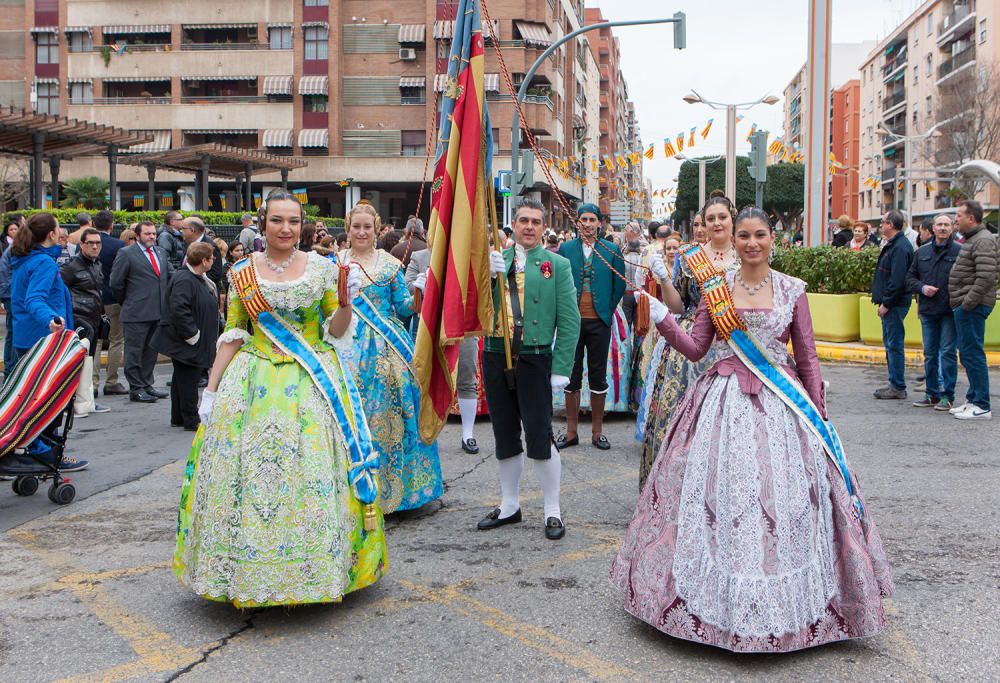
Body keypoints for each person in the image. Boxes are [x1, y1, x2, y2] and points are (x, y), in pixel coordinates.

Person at [615, 206, 894, 653]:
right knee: (718, 499)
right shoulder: (717, 290)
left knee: (786, 499)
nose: (750, 243)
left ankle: (793, 610)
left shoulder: (790, 290)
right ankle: (714, 607)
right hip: (720, 403)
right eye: (743, 235)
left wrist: (818, 411)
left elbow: (807, 358)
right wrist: (664, 320)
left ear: (772, 239)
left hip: (783, 407)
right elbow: (695, 348)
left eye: (759, 234)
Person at [174, 190, 385, 607]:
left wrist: (346, 301)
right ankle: (245, 568)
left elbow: (337, 330)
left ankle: (316, 568)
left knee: (312, 472)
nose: (285, 229)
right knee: (247, 477)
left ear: (301, 223)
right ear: (262, 222)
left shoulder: (324, 269)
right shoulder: (240, 273)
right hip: (251, 384)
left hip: (312, 381)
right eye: (276, 221)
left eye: (293, 221)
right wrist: (211, 391)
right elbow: (233, 335)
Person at [478, 198, 581, 540]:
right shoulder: (495, 261)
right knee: (504, 434)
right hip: (495, 353)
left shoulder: (558, 264)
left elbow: (569, 319)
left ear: (543, 226)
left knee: (539, 435)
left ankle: (552, 509)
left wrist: (561, 366)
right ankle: (510, 505)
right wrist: (487, 277)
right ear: (514, 223)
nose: (529, 227)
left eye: (536, 221)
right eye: (523, 220)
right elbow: (476, 307)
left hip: (535, 357)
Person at [341, 201, 443, 513]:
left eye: (367, 227)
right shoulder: (334, 263)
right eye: (356, 227)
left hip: (387, 351)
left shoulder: (389, 264)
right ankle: (348, 493)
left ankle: (402, 494)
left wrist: (418, 292)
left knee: (395, 417)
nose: (361, 232)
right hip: (344, 344)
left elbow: (402, 308)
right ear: (348, 230)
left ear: (376, 229)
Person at [636, 198, 739, 488]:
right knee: (679, 423)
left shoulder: (745, 253)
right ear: (703, 223)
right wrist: (664, 280)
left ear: (732, 219)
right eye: (710, 218)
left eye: (722, 217)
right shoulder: (690, 256)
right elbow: (679, 306)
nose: (716, 223)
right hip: (690, 344)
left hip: (735, 345)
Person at [6, 212, 88, 472]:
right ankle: (44, 451)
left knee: (30, 399)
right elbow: (34, 299)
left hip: (27, 337)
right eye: (58, 226)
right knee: (49, 402)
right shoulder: (43, 263)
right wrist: (51, 319)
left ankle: (35, 448)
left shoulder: (24, 260)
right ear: (51, 234)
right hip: (44, 341)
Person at [556, 203, 626, 451]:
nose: (587, 224)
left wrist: (606, 309)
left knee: (597, 374)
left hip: (599, 321)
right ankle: (571, 431)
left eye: (592, 219)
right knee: (571, 375)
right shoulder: (566, 249)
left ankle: (597, 433)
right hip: (572, 322)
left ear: (599, 223)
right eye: (583, 219)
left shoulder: (611, 249)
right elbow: (559, 283)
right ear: (577, 222)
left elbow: (619, 284)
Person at [406, 238, 482, 454]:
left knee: (467, 376)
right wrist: (420, 285)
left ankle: (468, 435)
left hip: (462, 325)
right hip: (430, 326)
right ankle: (423, 432)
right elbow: (406, 285)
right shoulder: (420, 257)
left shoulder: (466, 256)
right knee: (424, 378)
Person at [150, 242, 219, 431]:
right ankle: (190, 418)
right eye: (211, 258)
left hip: (190, 339)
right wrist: (193, 335)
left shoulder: (194, 277)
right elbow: (179, 310)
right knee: (189, 379)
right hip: (187, 340)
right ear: (203, 261)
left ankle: (179, 416)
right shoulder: (185, 279)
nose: (213, 260)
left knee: (182, 378)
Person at [110, 221, 172, 403]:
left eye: (153, 233)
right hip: (136, 311)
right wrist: (129, 301)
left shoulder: (160, 252)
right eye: (147, 234)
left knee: (151, 351)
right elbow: (116, 283)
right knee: (134, 352)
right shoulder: (126, 253)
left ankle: (147, 384)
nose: (151, 236)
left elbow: (167, 277)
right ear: (137, 236)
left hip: (158, 311)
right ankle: (136, 387)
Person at [948, 200, 998, 420]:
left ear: (971, 218)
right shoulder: (974, 239)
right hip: (967, 305)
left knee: (973, 354)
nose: (955, 219)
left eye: (959, 215)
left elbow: (986, 277)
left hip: (972, 306)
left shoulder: (984, 240)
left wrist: (967, 303)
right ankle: (973, 398)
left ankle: (981, 405)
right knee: (967, 354)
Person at [905, 214, 960, 410]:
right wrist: (922, 288)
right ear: (933, 228)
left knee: (947, 353)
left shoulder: (960, 252)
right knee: (930, 354)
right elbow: (910, 278)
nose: (943, 228)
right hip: (928, 310)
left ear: (952, 228)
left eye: (946, 224)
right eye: (939, 224)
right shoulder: (922, 252)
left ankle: (948, 395)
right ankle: (931, 394)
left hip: (949, 311)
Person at [60, 227, 111, 417]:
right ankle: (71, 402)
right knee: (77, 362)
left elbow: (97, 292)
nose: (95, 246)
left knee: (89, 361)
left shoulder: (97, 264)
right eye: (90, 243)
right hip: (78, 319)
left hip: (94, 317)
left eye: (98, 243)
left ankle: (87, 400)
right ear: (82, 244)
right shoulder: (70, 267)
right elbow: (60, 293)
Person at [871, 210, 915, 400]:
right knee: (891, 343)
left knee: (894, 344)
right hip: (893, 303)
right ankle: (894, 383)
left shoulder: (900, 247)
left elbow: (897, 280)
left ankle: (897, 386)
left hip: (895, 304)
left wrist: (886, 304)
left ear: (890, 224)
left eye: (883, 223)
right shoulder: (896, 245)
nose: (881, 226)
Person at [90, 210, 127, 396]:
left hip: (93, 298)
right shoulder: (118, 245)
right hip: (113, 298)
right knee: (116, 339)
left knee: (95, 341)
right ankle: (111, 381)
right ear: (111, 225)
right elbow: (119, 275)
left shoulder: (87, 244)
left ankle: (93, 383)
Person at [179, 217, 225, 290]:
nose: (181, 231)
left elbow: (216, 274)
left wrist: (193, 281)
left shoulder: (210, 246)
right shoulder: (187, 243)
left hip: (203, 292)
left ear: (192, 230)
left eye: (183, 229)